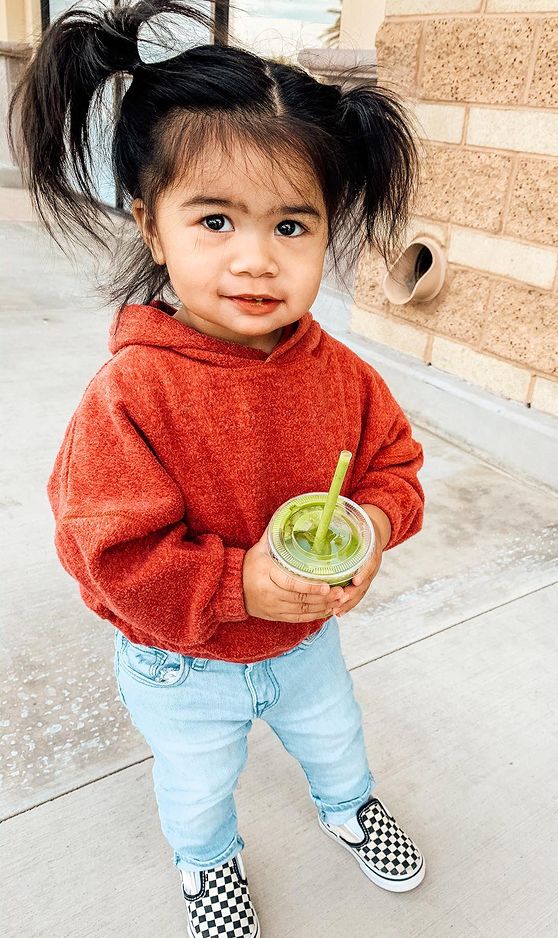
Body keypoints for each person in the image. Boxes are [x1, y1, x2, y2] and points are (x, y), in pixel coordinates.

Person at [9, 1, 427, 934]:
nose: (256, 260)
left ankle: (348, 804)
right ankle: (207, 864)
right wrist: (239, 583)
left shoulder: (344, 377)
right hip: (181, 663)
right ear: (151, 227)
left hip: (306, 641)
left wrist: (371, 526)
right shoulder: (132, 395)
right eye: (214, 220)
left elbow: (394, 468)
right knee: (198, 781)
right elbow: (107, 558)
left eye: (292, 227)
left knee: (335, 735)